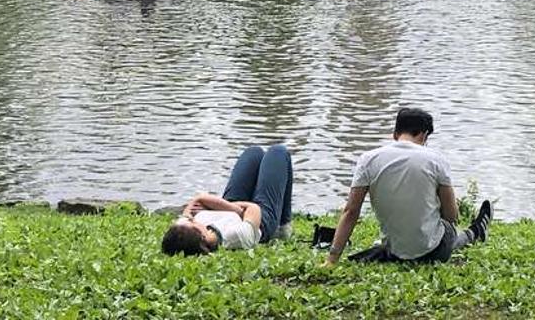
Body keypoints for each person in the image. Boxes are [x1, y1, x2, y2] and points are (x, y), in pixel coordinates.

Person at [325, 108, 490, 266]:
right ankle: (474, 232)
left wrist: (332, 258)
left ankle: (474, 232)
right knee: (448, 231)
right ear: (424, 135)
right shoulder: (436, 160)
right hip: (432, 253)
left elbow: (351, 211)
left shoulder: (368, 159)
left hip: (394, 251)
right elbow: (451, 216)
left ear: (395, 134)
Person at [161, 145, 295, 255]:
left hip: (232, 208)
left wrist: (230, 208)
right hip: (261, 220)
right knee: (278, 152)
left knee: (253, 153)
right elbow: (254, 209)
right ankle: (283, 227)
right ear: (203, 236)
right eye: (192, 222)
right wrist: (231, 208)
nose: (190, 219)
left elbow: (197, 200)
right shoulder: (236, 236)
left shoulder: (184, 232)